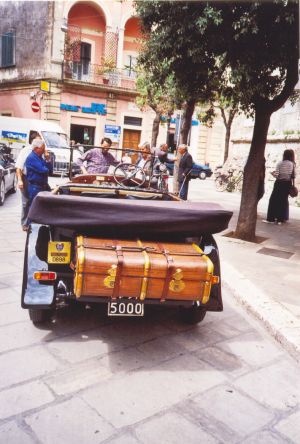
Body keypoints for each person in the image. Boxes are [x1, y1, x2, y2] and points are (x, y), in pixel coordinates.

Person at [15, 133, 41, 231]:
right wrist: (20, 180)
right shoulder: (25, 151)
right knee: (25, 202)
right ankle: (25, 223)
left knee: (35, 201)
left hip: (36, 179)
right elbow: (19, 167)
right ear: (32, 141)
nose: (40, 142)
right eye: (38, 140)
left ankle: (33, 222)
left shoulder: (40, 151)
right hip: (26, 178)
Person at [263, 149, 296, 225]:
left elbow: (277, 175)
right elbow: (294, 176)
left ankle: (271, 219)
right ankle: (280, 220)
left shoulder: (280, 163)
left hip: (279, 183)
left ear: (284, 155)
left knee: (273, 200)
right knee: (283, 200)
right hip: (287, 183)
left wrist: (272, 174)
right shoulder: (292, 164)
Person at [25, 139, 53, 214]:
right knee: (34, 207)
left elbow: (50, 170)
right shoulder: (32, 158)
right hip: (35, 186)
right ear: (37, 148)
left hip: (43, 185)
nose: (44, 150)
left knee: (43, 206)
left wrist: (48, 159)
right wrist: (46, 167)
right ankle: (29, 224)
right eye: (43, 148)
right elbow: (43, 170)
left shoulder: (39, 157)